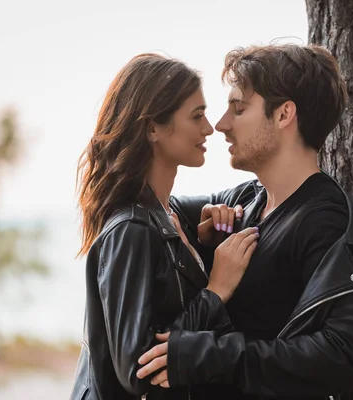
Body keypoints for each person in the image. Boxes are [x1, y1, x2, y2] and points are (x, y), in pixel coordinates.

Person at [136, 44, 353, 400]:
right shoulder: (247, 199)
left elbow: (344, 359)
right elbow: (162, 209)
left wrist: (211, 356)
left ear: (285, 114)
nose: (221, 126)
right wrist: (199, 241)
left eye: (238, 109)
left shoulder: (329, 223)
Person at [70, 53, 259, 400]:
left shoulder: (171, 215)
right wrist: (215, 292)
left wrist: (204, 244)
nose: (209, 127)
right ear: (153, 128)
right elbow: (136, 370)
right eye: (196, 116)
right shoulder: (131, 230)